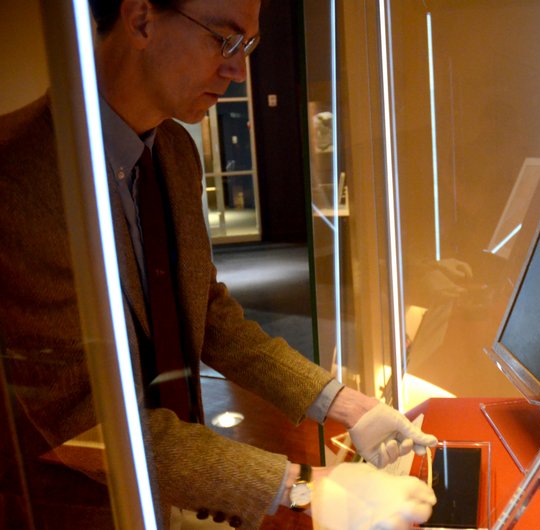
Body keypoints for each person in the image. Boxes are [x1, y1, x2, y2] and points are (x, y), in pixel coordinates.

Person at [0, 1, 437, 529]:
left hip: (169, 492)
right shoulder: (18, 178)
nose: (238, 69)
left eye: (247, 46)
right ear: (141, 19)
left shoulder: (174, 151)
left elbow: (205, 314)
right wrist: (303, 487)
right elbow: (84, 418)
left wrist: (346, 405)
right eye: (225, 40)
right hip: (75, 509)